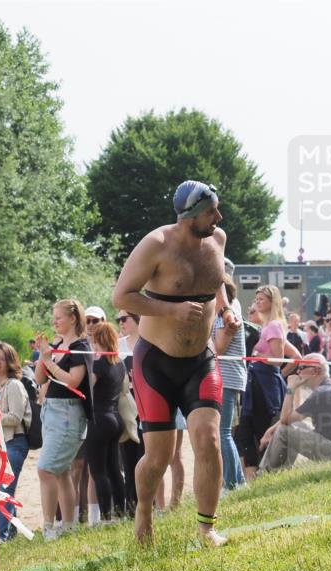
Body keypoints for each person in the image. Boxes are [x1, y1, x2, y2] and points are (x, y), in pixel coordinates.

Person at [112, 180, 240, 547]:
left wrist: (226, 310)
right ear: (189, 216)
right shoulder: (156, 244)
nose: (219, 217)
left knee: (209, 439)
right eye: (211, 211)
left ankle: (206, 529)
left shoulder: (217, 240)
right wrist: (172, 310)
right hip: (156, 363)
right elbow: (122, 297)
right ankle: (144, 512)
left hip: (201, 360)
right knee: (159, 456)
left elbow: (216, 280)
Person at [33, 299, 93, 540]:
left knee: (45, 469)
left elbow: (73, 382)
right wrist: (43, 356)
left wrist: (49, 361)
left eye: (58, 317)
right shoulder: (58, 344)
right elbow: (39, 379)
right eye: (53, 317)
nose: (54, 321)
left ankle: (49, 527)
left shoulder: (81, 346)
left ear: (73, 319)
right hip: (51, 411)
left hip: (69, 413)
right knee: (61, 472)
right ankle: (68, 526)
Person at [257, 353, 331, 471]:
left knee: (284, 430)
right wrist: (273, 428)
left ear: (316, 370)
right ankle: (280, 470)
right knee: (295, 425)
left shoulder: (321, 393)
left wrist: (291, 388)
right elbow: (291, 419)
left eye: (302, 368)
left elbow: (285, 419)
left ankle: (265, 472)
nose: (298, 372)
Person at [237, 286, 289, 481]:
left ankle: (265, 478)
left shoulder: (274, 325)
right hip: (255, 382)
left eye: (261, 299)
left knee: (261, 431)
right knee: (246, 433)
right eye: (256, 299)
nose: (257, 302)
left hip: (265, 385)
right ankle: (253, 479)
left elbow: (278, 359)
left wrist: (258, 356)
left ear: (272, 302)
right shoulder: (267, 325)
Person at [0, 342, 30, 541]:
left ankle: (0, 537)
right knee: (0, 491)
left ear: (10, 361)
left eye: (2, 358)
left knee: (4, 491)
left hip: (13, 442)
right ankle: (10, 533)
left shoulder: (14, 385)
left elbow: (15, 418)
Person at [87, 322, 127, 521]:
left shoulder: (99, 364)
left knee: (99, 471)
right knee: (114, 470)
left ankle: (105, 517)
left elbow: (88, 389)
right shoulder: (119, 363)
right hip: (115, 419)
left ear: (98, 340)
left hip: (100, 419)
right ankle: (121, 512)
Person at [212, 269, 247, 491]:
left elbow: (219, 347)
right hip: (231, 377)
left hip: (226, 377)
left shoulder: (225, 315)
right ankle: (238, 481)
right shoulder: (232, 310)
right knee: (223, 431)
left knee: (222, 432)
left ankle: (233, 483)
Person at [116, 308, 143, 516]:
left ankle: (147, 503)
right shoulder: (118, 345)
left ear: (136, 318)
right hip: (126, 404)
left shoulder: (149, 341)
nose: (120, 322)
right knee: (127, 456)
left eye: (124, 318)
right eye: (118, 319)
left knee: (146, 455)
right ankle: (130, 506)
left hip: (147, 402)